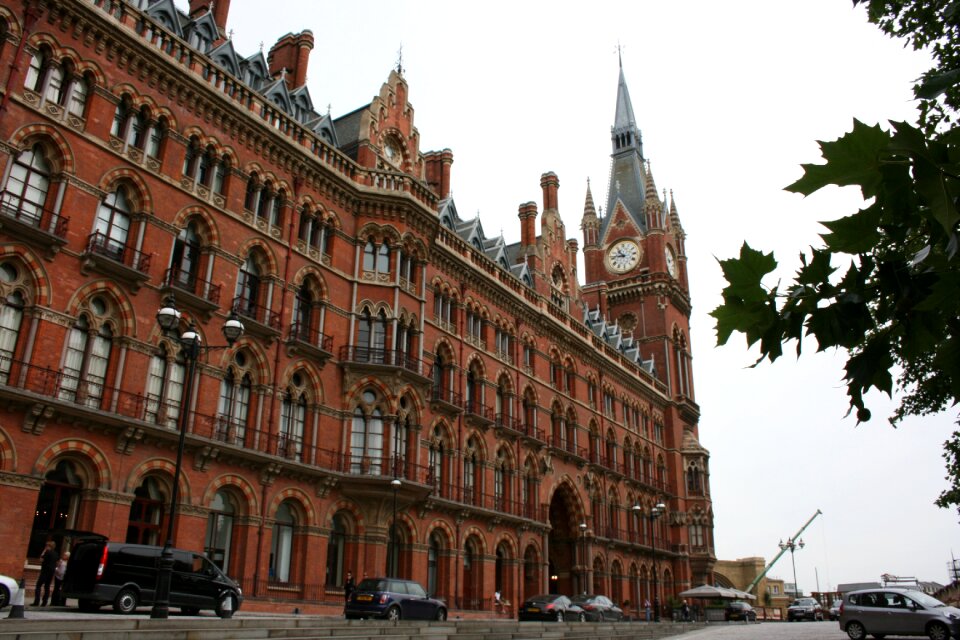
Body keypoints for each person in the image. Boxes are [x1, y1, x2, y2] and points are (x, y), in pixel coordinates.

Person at [32, 541, 57, 606]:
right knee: (47, 586)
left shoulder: (47, 552)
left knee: (38, 585)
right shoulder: (55, 553)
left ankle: (36, 601)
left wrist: (43, 552)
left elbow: (41, 560)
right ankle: (44, 602)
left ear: (49, 546)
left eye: (47, 546)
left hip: (45, 571)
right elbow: (57, 562)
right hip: (51, 572)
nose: (46, 547)